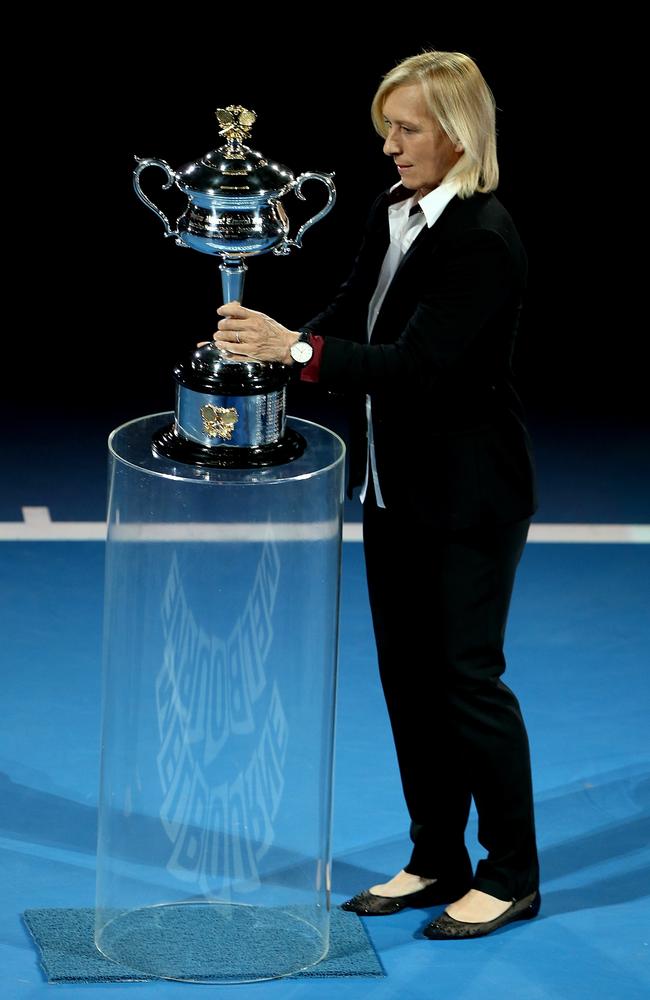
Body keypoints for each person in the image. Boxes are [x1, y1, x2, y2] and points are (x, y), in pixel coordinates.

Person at [210, 50, 541, 940]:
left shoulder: (483, 237)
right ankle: (437, 858)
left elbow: (420, 370)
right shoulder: (394, 209)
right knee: (409, 684)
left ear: (458, 133)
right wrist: (269, 352)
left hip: (471, 497)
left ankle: (512, 875)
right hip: (391, 489)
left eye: (406, 130)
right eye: (385, 129)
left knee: (466, 681)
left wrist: (298, 353)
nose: (390, 147)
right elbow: (355, 310)